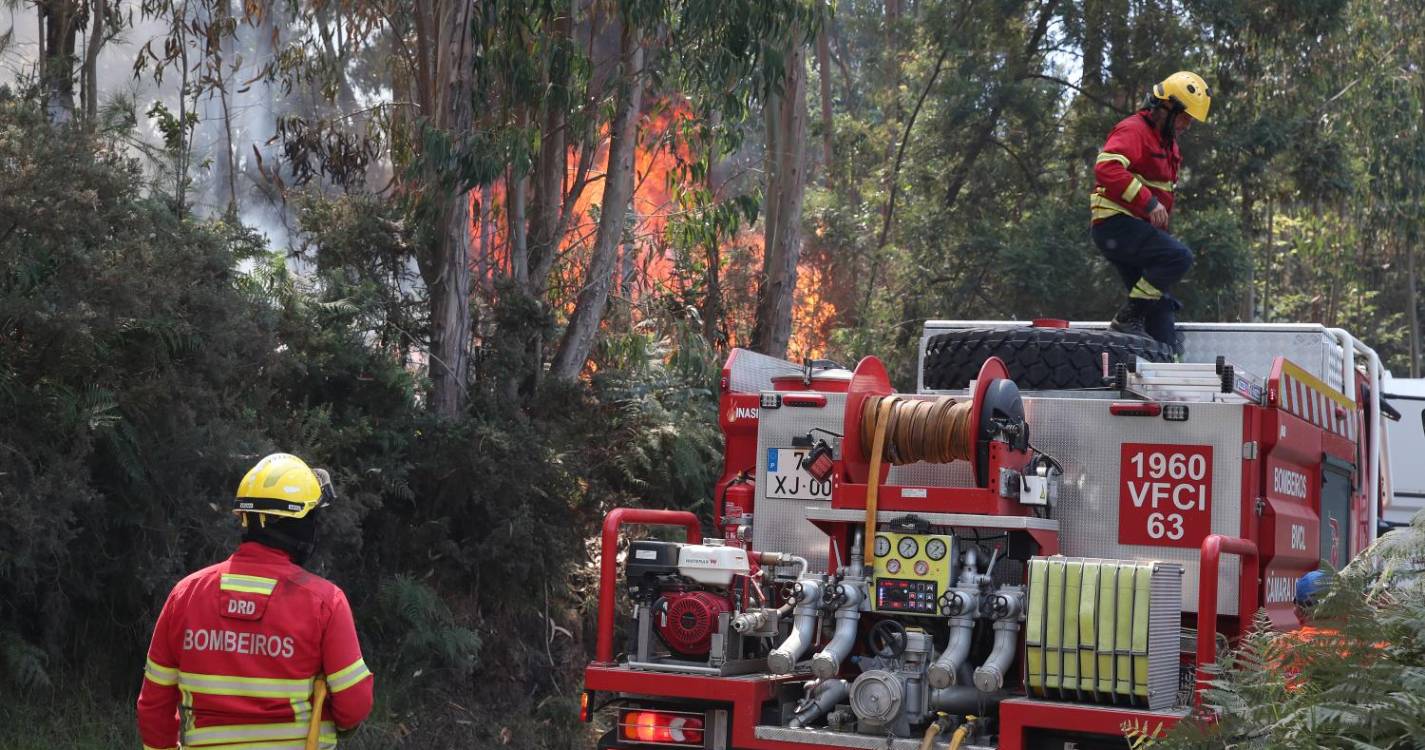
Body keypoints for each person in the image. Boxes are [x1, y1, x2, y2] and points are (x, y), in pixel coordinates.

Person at [137, 453, 373, 750]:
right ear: (300, 523)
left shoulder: (186, 595)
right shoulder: (324, 603)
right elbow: (354, 705)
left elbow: (154, 706)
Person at [1090, 71, 1212, 349]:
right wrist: (1149, 202)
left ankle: (1159, 357)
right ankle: (1127, 318)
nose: (1188, 125)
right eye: (1185, 117)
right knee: (1178, 257)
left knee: (1160, 314)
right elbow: (1106, 168)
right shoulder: (1134, 130)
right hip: (1114, 224)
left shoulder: (1167, 144)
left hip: (1134, 227)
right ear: (1166, 108)